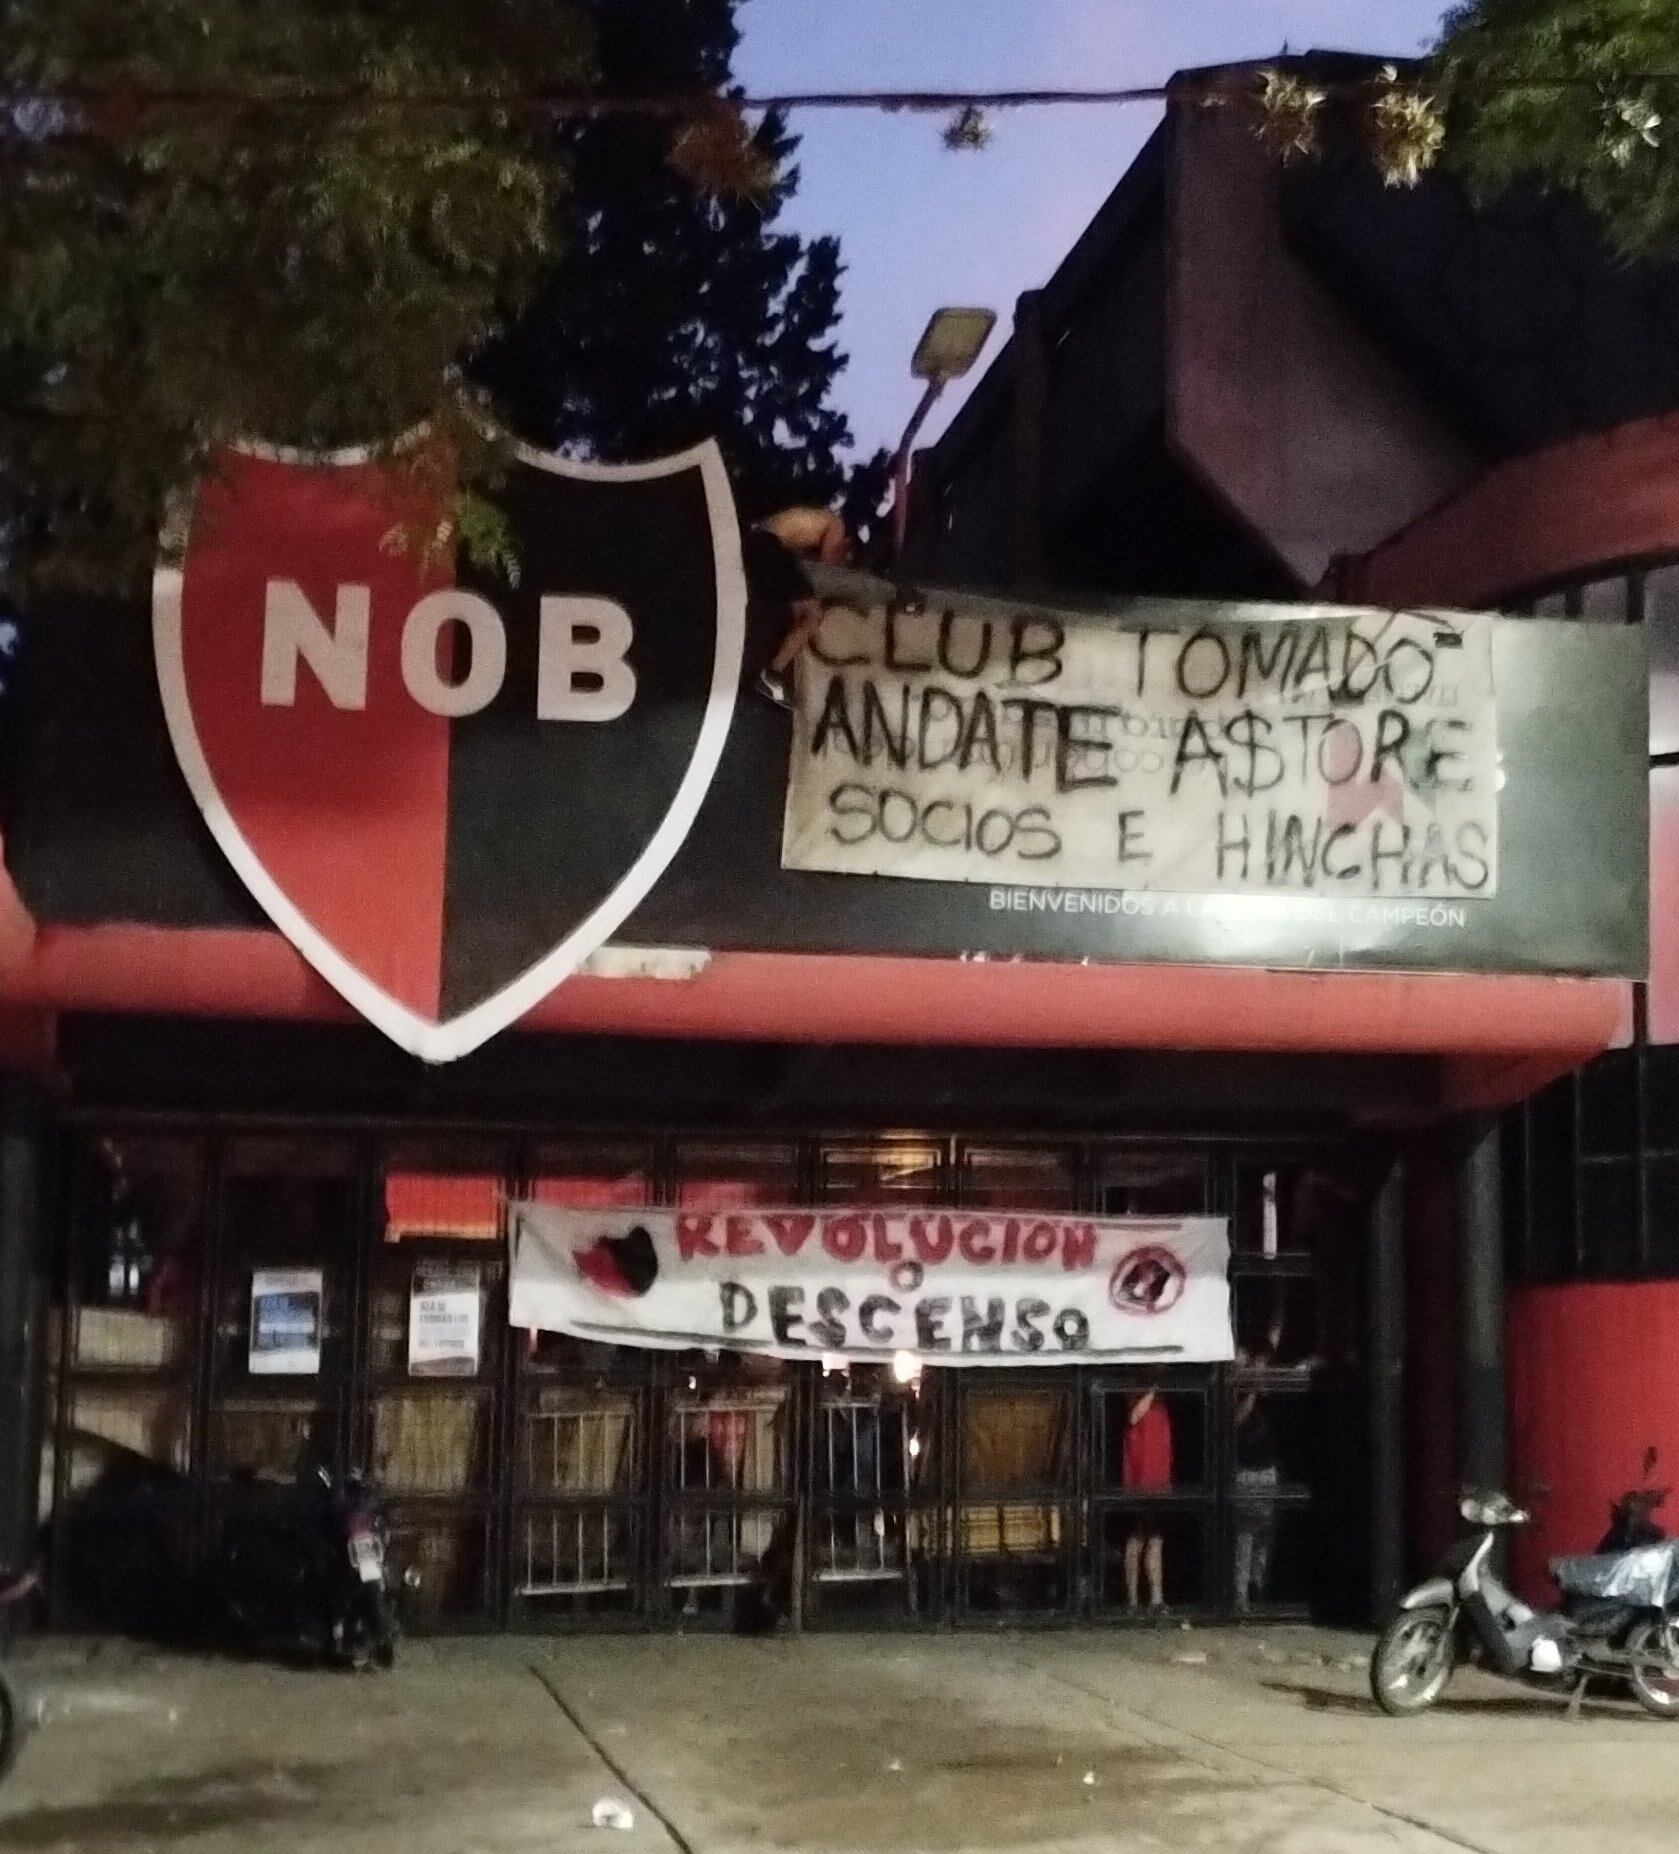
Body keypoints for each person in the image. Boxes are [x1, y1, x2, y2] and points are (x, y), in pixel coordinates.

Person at [1122, 1388, 1173, 1612]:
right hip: (1140, 1483)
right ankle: (1133, 1600)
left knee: (1155, 1539)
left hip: (1159, 1482)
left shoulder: (1161, 1409)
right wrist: (1151, 1390)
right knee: (1137, 1538)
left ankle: (1156, 1598)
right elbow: (1134, 1417)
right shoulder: (1138, 1403)